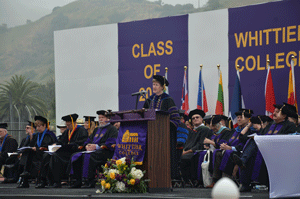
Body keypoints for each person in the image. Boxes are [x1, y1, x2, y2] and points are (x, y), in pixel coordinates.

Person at [233, 103, 297, 192]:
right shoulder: (270, 125)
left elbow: (288, 140)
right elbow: (244, 137)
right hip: (265, 150)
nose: (274, 113)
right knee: (252, 142)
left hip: (279, 152)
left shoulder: (289, 125)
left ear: (284, 115)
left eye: (277, 112)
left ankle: (243, 160)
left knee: (250, 153)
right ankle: (245, 182)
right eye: (274, 111)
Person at [36, 114, 88, 188]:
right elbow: (60, 141)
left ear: (74, 123)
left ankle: (57, 181)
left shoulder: (81, 130)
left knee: (55, 156)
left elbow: (81, 143)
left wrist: (68, 146)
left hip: (73, 151)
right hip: (65, 152)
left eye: (69, 125)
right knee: (46, 155)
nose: (68, 127)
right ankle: (43, 180)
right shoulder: (67, 131)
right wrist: (55, 144)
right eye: (67, 125)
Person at [143, 75, 180, 180]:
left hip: (165, 136)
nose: (154, 87)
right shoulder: (149, 100)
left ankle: (166, 176)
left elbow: (175, 119)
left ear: (162, 87)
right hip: (151, 134)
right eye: (153, 84)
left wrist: (164, 125)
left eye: (156, 85)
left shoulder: (168, 100)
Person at [69, 110, 118, 188]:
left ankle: (89, 181)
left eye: (102, 117)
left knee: (90, 156)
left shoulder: (112, 129)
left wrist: (97, 146)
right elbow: (89, 140)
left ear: (108, 119)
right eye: (99, 118)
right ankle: (77, 180)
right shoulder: (97, 129)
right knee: (76, 156)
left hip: (105, 152)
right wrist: (87, 145)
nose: (100, 119)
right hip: (94, 151)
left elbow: (111, 143)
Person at [18, 116, 57, 188]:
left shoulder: (49, 134)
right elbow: (32, 144)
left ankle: (42, 180)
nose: (37, 128)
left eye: (39, 126)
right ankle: (25, 178)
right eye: (36, 127)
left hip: (46, 153)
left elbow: (50, 146)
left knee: (44, 156)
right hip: (37, 153)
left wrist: (38, 148)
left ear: (44, 125)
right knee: (27, 153)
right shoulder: (36, 135)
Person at [180, 109, 213, 186]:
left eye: (197, 117)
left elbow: (200, 144)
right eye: (193, 118)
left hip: (198, 152)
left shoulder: (205, 129)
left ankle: (189, 180)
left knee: (184, 158)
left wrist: (186, 152)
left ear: (202, 119)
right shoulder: (191, 131)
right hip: (188, 152)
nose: (195, 119)